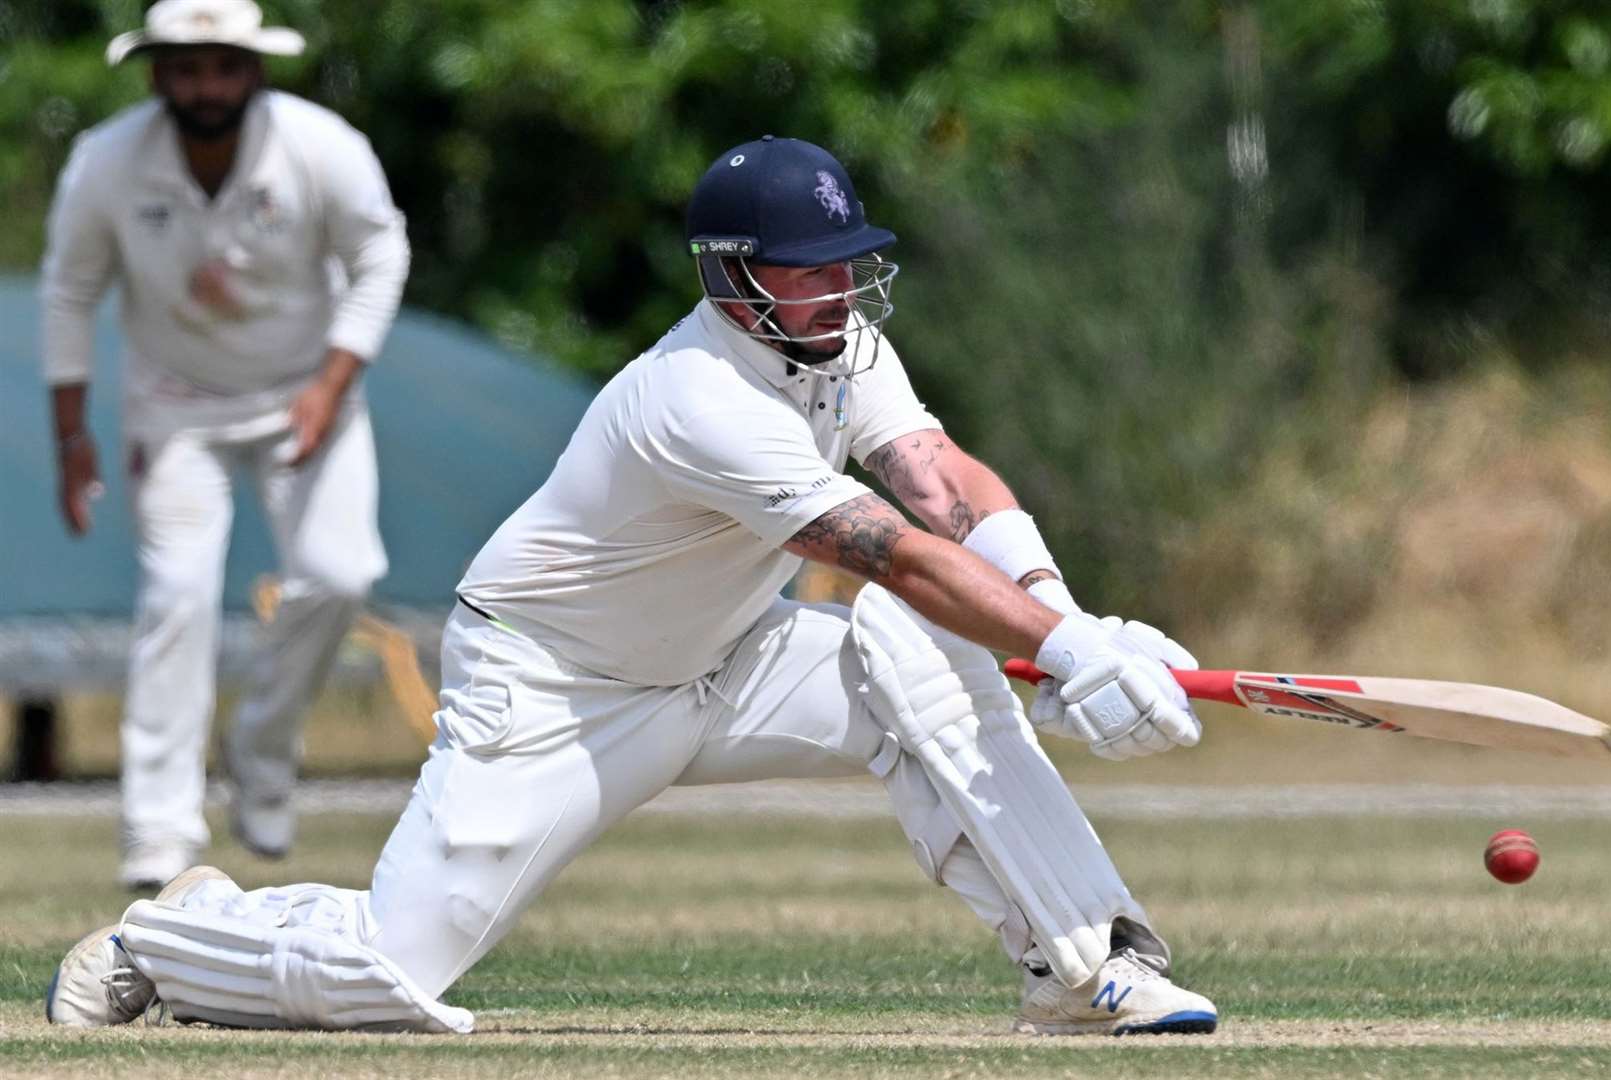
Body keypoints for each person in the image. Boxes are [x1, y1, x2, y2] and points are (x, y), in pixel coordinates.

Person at [46, 136, 1218, 1037]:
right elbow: (890, 549)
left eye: (847, 264)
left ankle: (1082, 968)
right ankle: (173, 934)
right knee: (392, 975)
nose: (838, 291)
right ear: (731, 277)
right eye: (807, 274)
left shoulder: (841, 344)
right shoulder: (695, 398)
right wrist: (1068, 657)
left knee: (926, 663)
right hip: (555, 687)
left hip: (729, 657)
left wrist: (1067, 616)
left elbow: (938, 480)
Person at [39, 0, 410, 888]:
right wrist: (71, 439)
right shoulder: (106, 162)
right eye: (186, 67)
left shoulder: (322, 146)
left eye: (223, 66)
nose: (205, 86)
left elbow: (380, 256)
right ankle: (157, 833)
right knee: (176, 597)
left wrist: (328, 388)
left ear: (254, 70)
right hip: (174, 406)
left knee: (342, 575)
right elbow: (68, 292)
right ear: (156, 72)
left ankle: (260, 752)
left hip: (302, 397)